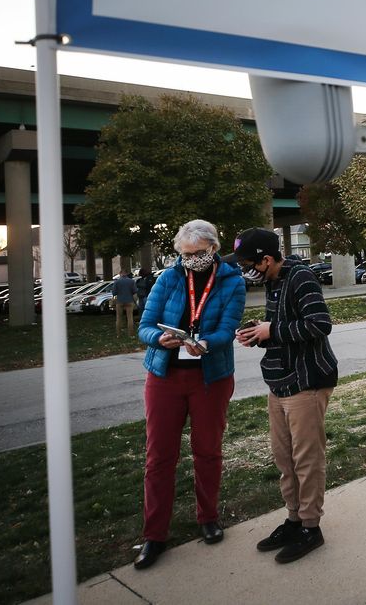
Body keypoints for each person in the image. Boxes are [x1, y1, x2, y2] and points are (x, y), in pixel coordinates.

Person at [133, 220, 246, 570]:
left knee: (208, 451)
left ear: (213, 248)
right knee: (159, 457)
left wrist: (207, 343)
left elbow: (229, 327)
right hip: (165, 377)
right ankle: (154, 535)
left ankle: (208, 517)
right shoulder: (168, 279)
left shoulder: (232, 281)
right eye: (184, 254)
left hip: (209, 378)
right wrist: (158, 338)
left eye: (197, 254)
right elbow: (145, 325)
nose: (191, 260)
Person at [234, 228, 338, 564]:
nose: (245, 270)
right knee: (284, 458)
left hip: (306, 383)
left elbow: (320, 323)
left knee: (307, 461)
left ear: (266, 259)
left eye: (249, 263)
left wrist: (272, 330)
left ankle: (311, 527)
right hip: (279, 383)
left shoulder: (300, 278)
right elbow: (280, 327)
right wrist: (258, 333)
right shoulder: (272, 282)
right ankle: (293, 520)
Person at [113, 270, 138, 336]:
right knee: (130, 318)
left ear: (120, 274)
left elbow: (114, 293)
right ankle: (131, 334)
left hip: (120, 301)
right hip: (129, 300)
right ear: (126, 274)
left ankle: (118, 334)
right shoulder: (131, 281)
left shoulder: (116, 282)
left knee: (118, 318)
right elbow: (134, 292)